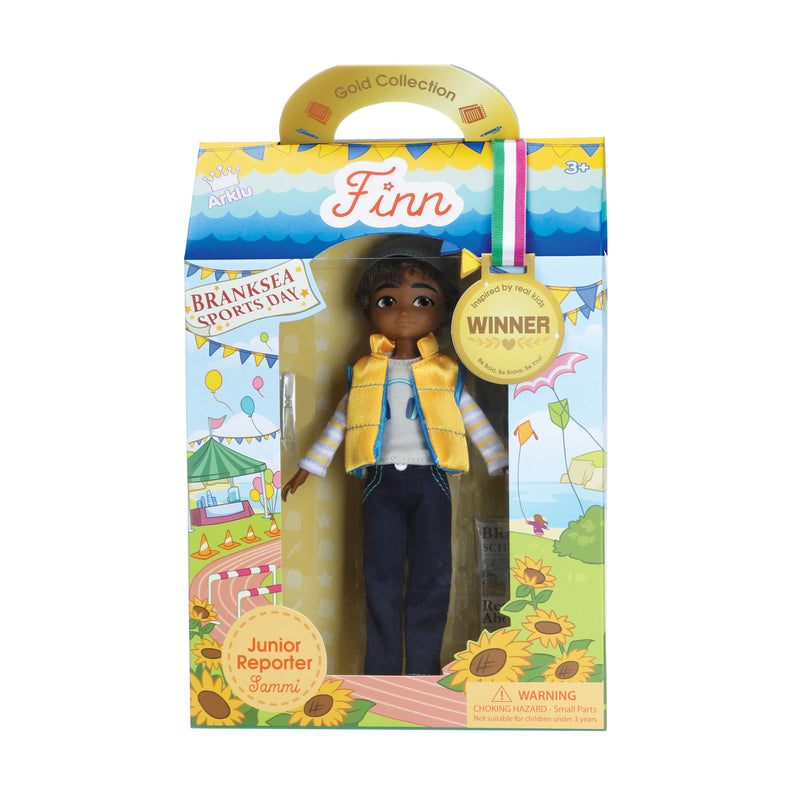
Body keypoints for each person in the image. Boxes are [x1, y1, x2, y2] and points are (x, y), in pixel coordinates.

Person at [282, 255, 507, 675]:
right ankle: (381, 673)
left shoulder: (444, 372)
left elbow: (473, 418)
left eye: (422, 302)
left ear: (444, 311)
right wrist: (309, 465)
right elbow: (342, 422)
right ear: (368, 309)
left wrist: (500, 462)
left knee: (433, 577)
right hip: (379, 482)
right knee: (379, 578)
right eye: (388, 302)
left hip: (431, 480)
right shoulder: (366, 372)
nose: (405, 312)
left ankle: (424, 671)